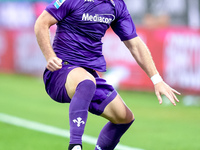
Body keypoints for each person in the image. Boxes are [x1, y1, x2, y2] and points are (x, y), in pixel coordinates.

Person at [34, 0, 180, 149]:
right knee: (86, 82)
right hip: (60, 71)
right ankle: (75, 145)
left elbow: (135, 44)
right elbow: (42, 22)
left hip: (89, 74)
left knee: (124, 118)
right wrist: (50, 56)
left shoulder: (117, 5)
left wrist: (157, 80)